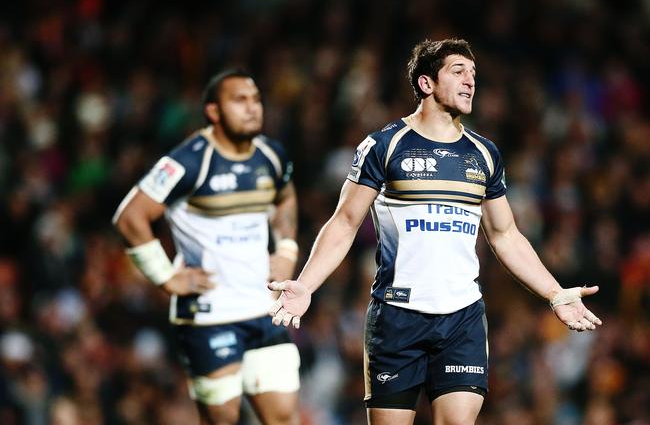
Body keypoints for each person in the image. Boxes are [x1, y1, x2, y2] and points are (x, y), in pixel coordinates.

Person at [268, 39, 602, 425]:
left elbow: (506, 234)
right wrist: (307, 284)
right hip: (397, 317)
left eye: (474, 74)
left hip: (462, 317)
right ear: (427, 84)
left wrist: (555, 292)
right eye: (458, 72)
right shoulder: (385, 146)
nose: (470, 81)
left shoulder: (484, 154)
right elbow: (344, 222)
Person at [113, 69, 301, 425]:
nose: (252, 108)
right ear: (214, 111)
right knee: (222, 420)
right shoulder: (187, 161)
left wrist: (286, 250)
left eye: (256, 99)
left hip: (263, 308)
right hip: (209, 315)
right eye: (239, 100)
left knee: (284, 418)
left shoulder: (272, 155)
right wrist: (166, 278)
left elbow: (286, 198)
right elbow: (130, 217)